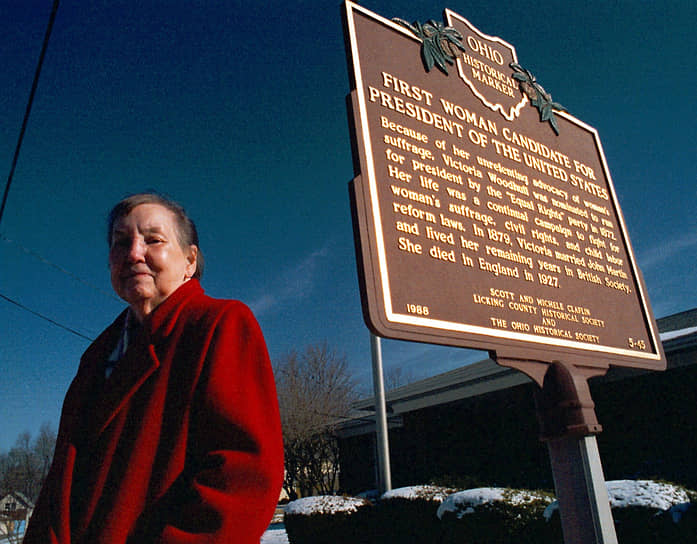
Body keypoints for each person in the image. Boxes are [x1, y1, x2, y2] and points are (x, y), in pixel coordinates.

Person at [24, 193, 284, 543]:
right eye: (120, 243)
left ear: (190, 260)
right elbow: (61, 484)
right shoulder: (96, 357)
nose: (133, 253)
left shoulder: (218, 324)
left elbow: (243, 475)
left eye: (153, 240)